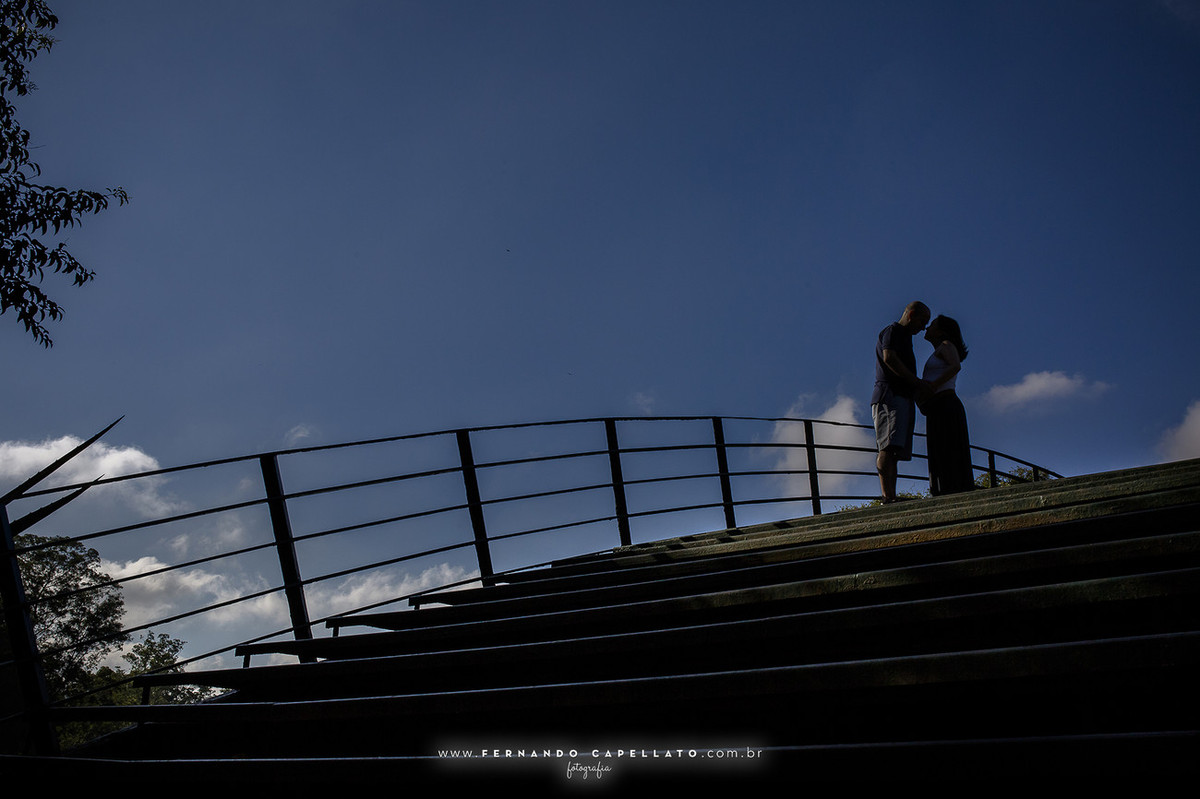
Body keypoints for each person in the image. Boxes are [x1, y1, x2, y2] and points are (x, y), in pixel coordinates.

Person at [871, 301, 931, 503]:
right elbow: (889, 358)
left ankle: (891, 496)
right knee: (888, 446)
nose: (923, 327)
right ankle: (888, 497)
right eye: (923, 321)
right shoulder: (894, 331)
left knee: (893, 447)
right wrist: (916, 382)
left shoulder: (902, 335)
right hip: (891, 395)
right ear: (912, 314)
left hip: (899, 396)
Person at [919, 314, 974, 495]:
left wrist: (933, 386)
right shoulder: (938, 350)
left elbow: (955, 366)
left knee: (947, 451)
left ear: (941, 331)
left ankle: (951, 490)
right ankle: (947, 490)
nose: (927, 327)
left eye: (932, 324)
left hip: (945, 404)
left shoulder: (946, 346)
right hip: (938, 406)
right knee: (942, 450)